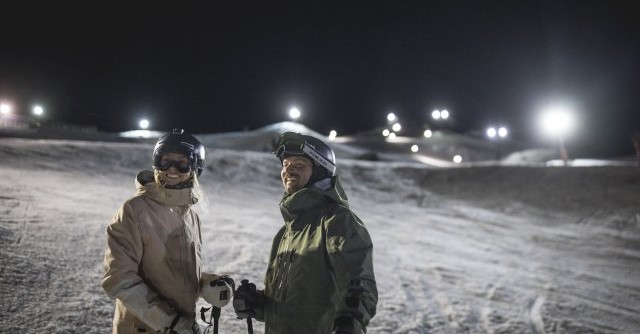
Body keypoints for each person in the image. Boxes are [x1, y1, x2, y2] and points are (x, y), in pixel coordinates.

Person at [233, 132, 378, 334]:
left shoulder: (336, 221)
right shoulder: (285, 233)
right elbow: (295, 302)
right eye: (285, 164)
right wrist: (258, 303)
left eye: (299, 165)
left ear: (320, 171)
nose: (288, 170)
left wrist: (349, 324)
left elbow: (359, 284)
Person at [102, 129, 233, 334]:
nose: (172, 168)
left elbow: (174, 276)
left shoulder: (191, 217)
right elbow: (119, 279)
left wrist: (207, 283)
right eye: (165, 160)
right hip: (144, 328)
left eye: (182, 162)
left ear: (196, 167)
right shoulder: (135, 210)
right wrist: (170, 322)